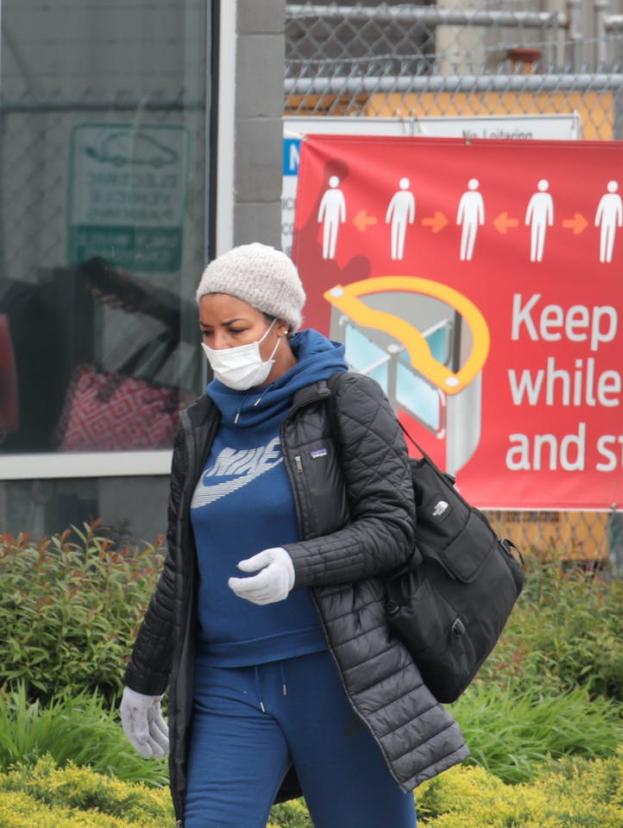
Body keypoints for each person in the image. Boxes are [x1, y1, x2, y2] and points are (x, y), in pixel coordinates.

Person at [118, 243, 467, 827]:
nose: (220, 348)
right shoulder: (203, 424)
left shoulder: (346, 399)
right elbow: (182, 567)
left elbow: (392, 530)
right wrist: (143, 678)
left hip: (338, 679)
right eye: (208, 332)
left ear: (280, 324)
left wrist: (296, 563)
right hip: (228, 684)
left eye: (236, 329)